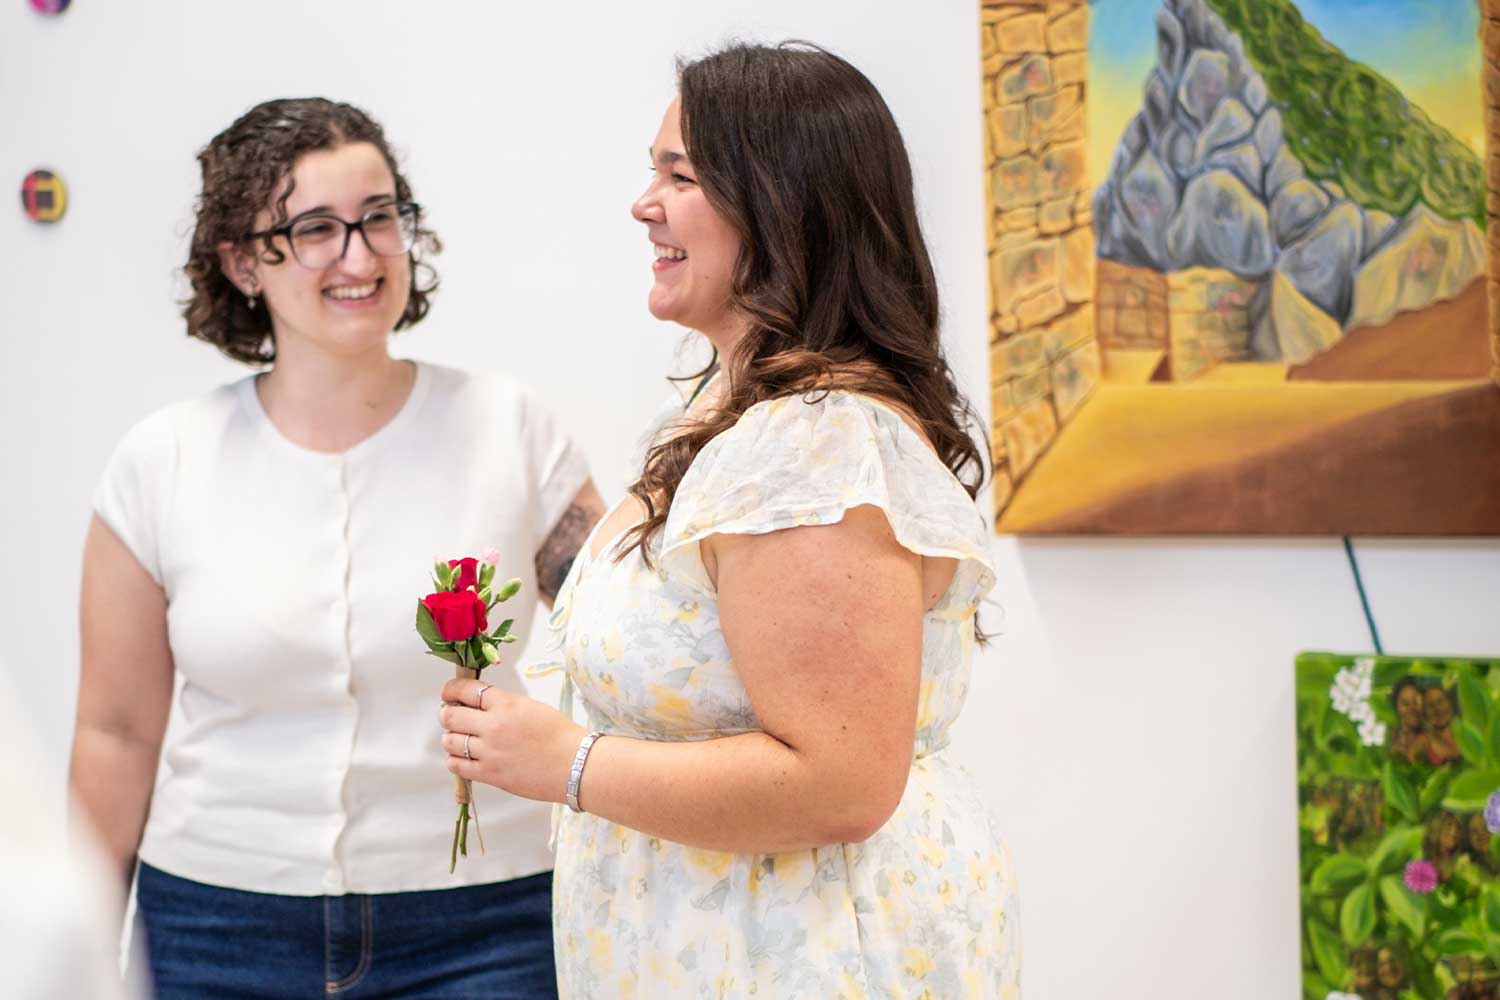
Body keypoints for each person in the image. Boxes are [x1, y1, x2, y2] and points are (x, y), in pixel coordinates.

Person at [439, 42, 1020, 998]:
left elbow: (840, 781)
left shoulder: (811, 445)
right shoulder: (743, 419)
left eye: (681, 176)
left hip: (807, 956)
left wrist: (569, 763)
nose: (644, 204)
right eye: (653, 172)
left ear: (783, 206)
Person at [69, 98, 603, 998]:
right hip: (214, 926)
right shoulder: (160, 463)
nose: (360, 257)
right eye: (315, 228)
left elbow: (629, 640)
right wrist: (74, 950)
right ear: (242, 261)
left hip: (483, 925)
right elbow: (116, 734)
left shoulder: (510, 430)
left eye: (379, 217)